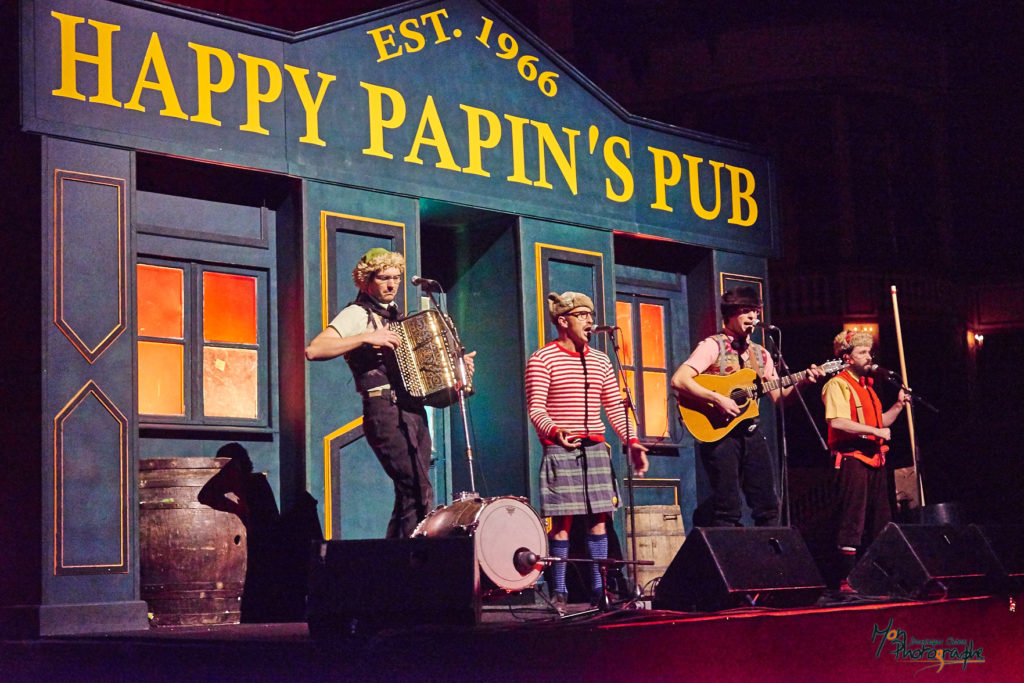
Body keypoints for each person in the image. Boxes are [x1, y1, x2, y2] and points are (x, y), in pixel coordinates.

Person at [305, 248, 474, 539]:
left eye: (396, 277)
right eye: (384, 278)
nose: (391, 284)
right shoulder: (357, 314)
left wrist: (458, 368)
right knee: (415, 488)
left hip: (412, 408)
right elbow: (314, 349)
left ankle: (398, 563)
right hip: (384, 407)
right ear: (366, 281)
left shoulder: (398, 316)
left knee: (415, 493)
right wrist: (366, 336)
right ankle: (404, 565)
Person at [525, 291, 649, 609]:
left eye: (591, 315)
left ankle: (599, 590)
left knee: (599, 520)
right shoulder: (542, 358)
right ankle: (560, 592)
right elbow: (536, 408)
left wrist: (632, 441)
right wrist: (555, 431)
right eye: (582, 315)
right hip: (560, 448)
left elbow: (614, 408)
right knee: (562, 522)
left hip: (595, 448)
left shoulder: (601, 360)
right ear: (563, 321)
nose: (590, 321)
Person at [671, 286, 824, 528]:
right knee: (728, 506)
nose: (753, 317)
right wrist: (718, 398)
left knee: (768, 503)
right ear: (730, 314)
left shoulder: (761, 355)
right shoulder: (713, 346)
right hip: (719, 434)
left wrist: (803, 381)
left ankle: (769, 559)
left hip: (750, 432)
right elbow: (679, 380)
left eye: (755, 312)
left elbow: (780, 399)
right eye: (746, 312)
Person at [822, 330, 908, 589]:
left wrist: (898, 406)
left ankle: (877, 576)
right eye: (862, 352)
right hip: (853, 459)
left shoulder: (867, 387)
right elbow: (836, 421)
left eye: (868, 351)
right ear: (847, 358)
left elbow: (878, 422)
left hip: (875, 460)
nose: (869, 356)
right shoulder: (838, 384)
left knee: (881, 520)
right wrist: (875, 431)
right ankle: (845, 580)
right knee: (852, 520)